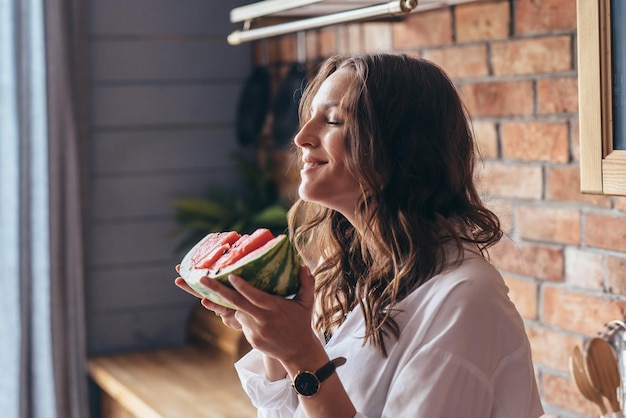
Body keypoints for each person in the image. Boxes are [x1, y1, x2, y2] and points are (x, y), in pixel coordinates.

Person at [175, 53, 544, 418]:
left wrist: (302, 355)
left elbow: (312, 382)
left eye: (333, 121)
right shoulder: (349, 272)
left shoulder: (466, 300)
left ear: (399, 148)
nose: (302, 137)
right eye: (309, 119)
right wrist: (271, 336)